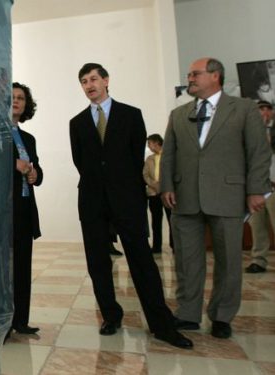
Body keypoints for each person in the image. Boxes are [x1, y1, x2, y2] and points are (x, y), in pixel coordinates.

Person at [69, 63, 192, 349]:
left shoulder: (131, 115)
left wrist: (119, 185)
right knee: (98, 263)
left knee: (142, 261)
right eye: (84, 81)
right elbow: (81, 162)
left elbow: (134, 157)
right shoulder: (76, 123)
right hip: (92, 201)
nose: (90, 85)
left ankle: (161, 324)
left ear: (106, 80)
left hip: (127, 200)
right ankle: (111, 315)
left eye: (94, 79)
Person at [160, 57, 271, 339]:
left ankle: (222, 316)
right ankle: (187, 313)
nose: (190, 79)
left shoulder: (244, 109)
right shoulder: (178, 114)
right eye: (189, 74)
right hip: (184, 198)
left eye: (195, 74)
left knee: (229, 260)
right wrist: (166, 186)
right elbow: (169, 154)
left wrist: (255, 189)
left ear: (215, 76)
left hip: (228, 196)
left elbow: (258, 152)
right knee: (186, 260)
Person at [10, 82, 42, 335]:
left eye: (21, 98)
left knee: (22, 268)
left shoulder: (28, 138)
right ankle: (4, 322)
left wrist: (34, 174)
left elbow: (37, 170)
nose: (16, 101)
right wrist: (15, 165)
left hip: (24, 210)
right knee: (4, 270)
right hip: (2, 212)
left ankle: (21, 320)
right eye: (12, 97)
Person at [246, 100, 275, 274]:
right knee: (257, 226)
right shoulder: (248, 132)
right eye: (261, 109)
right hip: (256, 188)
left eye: (267, 109)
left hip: (273, 185)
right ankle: (258, 260)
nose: (264, 112)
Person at [143, 134, 172, 253]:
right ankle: (156, 247)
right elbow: (145, 175)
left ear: (156, 142)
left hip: (167, 193)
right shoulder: (149, 159)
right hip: (153, 193)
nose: (148, 146)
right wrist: (153, 184)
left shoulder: (169, 156)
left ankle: (174, 245)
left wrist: (163, 185)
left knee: (172, 220)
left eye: (149, 143)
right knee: (156, 221)